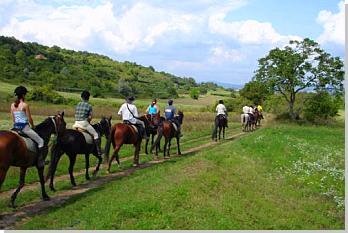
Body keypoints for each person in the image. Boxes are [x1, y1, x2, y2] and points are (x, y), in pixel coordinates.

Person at [11, 86, 46, 167]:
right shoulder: (25, 105)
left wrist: (16, 125)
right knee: (41, 141)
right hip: (24, 128)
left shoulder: (12, 105)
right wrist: (33, 126)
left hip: (15, 128)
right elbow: (29, 119)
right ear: (23, 95)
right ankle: (40, 161)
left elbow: (13, 119)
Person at [73, 90, 103, 156]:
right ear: (88, 98)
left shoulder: (78, 104)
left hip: (75, 123)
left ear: (81, 97)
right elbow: (90, 117)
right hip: (84, 123)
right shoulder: (89, 106)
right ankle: (98, 150)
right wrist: (88, 122)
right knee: (96, 134)